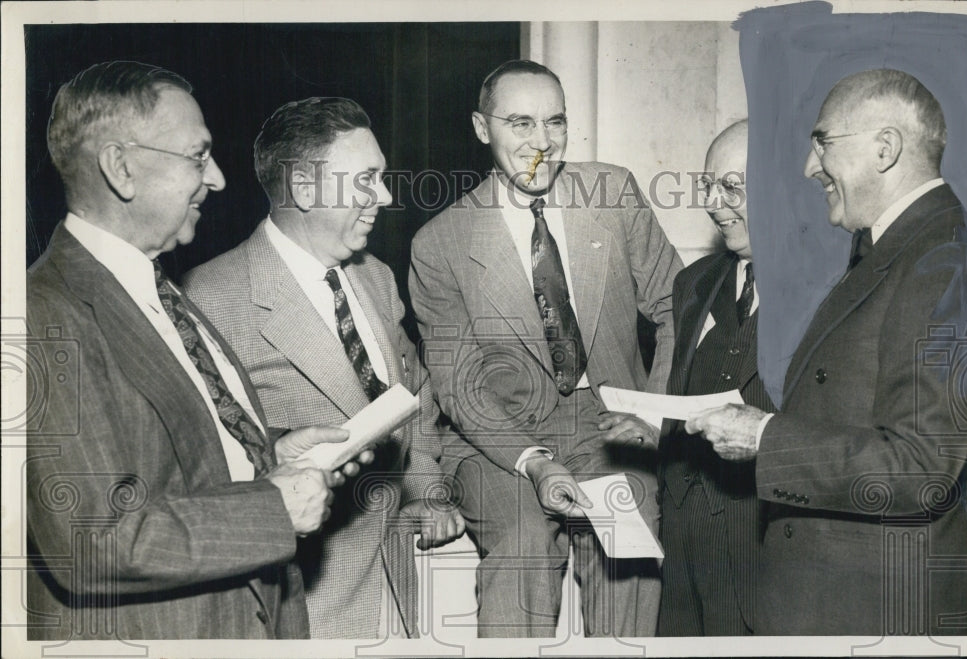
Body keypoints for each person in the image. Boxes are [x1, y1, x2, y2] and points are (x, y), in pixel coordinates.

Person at [26, 61, 366, 640]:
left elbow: (170, 455)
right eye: (197, 155)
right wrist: (272, 509)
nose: (219, 179)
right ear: (122, 168)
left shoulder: (158, 288)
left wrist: (275, 449)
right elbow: (92, 535)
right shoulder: (41, 312)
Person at [686, 69, 967, 635]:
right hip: (827, 599)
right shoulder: (898, 247)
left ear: (885, 148)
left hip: (867, 611)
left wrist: (763, 437)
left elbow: (922, 467)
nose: (809, 167)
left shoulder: (944, 259)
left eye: (823, 142)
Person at [408, 59, 683, 637]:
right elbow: (459, 385)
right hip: (497, 434)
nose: (541, 144)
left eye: (554, 123)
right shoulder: (441, 243)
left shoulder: (612, 192)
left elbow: (675, 308)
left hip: (609, 420)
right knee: (523, 547)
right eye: (520, 123)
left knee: (629, 549)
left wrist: (650, 413)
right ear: (482, 128)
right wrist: (533, 461)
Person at [184, 96, 465, 639]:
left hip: (400, 592)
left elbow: (417, 392)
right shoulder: (211, 297)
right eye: (366, 180)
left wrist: (426, 490)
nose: (383, 197)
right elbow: (203, 466)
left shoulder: (377, 277)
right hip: (306, 607)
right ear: (305, 189)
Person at [653, 119, 775, 635]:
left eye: (732, 187)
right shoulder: (693, 283)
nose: (713, 203)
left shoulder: (836, 289)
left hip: (762, 553)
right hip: (684, 556)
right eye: (708, 185)